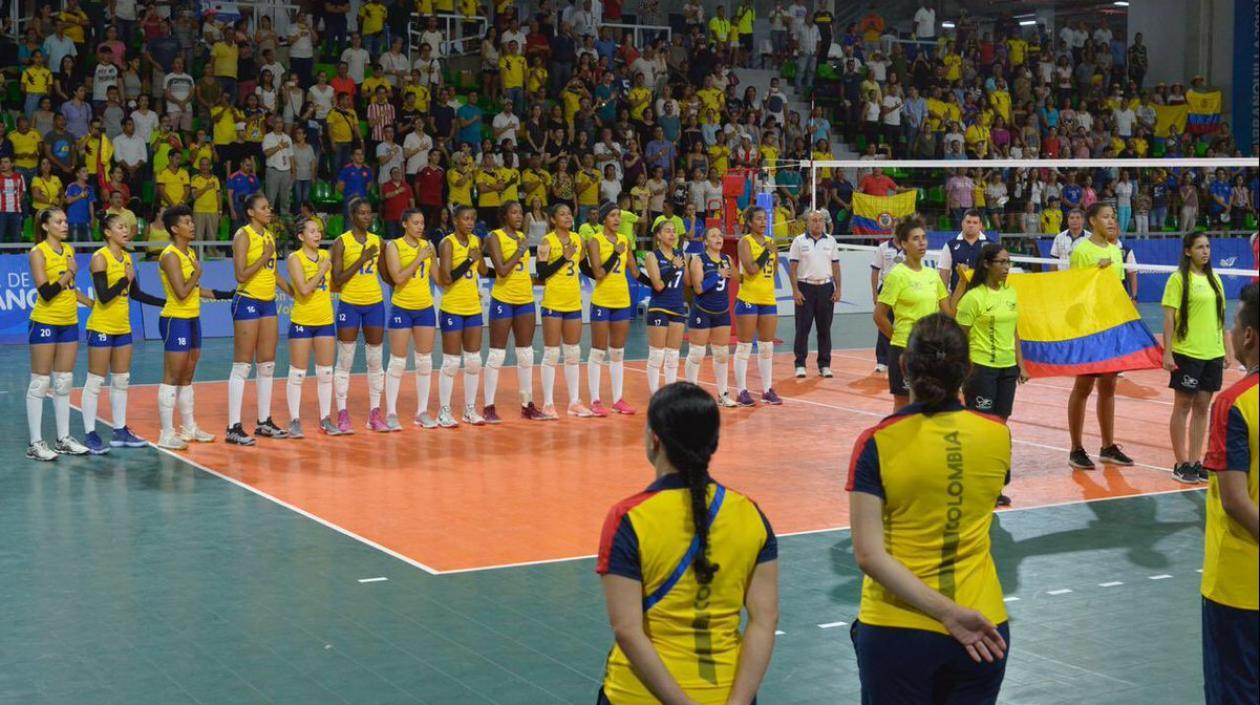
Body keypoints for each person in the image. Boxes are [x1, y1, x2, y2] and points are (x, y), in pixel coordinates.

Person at [848, 314, 1011, 705]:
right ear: (968, 370)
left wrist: (945, 613)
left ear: (903, 364)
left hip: (898, 628)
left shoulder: (877, 442)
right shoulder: (998, 435)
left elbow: (869, 556)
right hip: (985, 627)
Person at [597, 382, 778, 705]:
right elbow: (765, 620)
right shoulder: (749, 514)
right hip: (725, 692)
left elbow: (626, 628)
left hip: (638, 696)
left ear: (654, 438)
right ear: (714, 442)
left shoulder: (629, 518)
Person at [1199, 283, 1258, 705]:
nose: (1231, 333)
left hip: (1239, 587)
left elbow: (1236, 500)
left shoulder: (1234, 403)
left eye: (1234, 325)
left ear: (1249, 335)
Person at [80, 213, 165, 454]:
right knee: (96, 381)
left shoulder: (127, 257)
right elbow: (104, 297)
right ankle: (90, 434)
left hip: (122, 327)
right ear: (107, 232)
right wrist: (123, 280)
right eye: (120, 227)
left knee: (121, 380)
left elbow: (135, 294)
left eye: (127, 227)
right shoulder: (100, 258)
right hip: (101, 326)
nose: (126, 231)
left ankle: (120, 431)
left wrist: (165, 303)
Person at [951, 243, 1027, 506]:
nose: (1007, 267)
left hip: (1007, 369)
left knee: (1000, 426)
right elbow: (959, 336)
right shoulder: (973, 299)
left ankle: (993, 485)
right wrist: (964, 370)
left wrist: (1021, 363)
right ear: (986, 264)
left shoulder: (1011, 293)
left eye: (1009, 262)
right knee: (981, 427)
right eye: (1002, 262)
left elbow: (1015, 330)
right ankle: (973, 484)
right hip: (980, 369)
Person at [156, 205, 233, 450]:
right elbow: (181, 292)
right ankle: (166, 434)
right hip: (175, 319)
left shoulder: (188, 253)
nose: (192, 225)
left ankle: (189, 428)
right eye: (187, 222)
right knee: (172, 376)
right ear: (175, 228)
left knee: (188, 375)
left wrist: (223, 294)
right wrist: (197, 272)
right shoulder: (170, 256)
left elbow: (195, 290)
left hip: (192, 318)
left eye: (192, 221)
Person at [1066, 203, 1135, 470]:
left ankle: (1107, 446)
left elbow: (1116, 290)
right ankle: (1076, 448)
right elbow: (1073, 289)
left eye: (1113, 217)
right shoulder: (1082, 250)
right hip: (1089, 329)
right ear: (1092, 221)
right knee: (1083, 387)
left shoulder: (1116, 251)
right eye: (1105, 217)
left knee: (1109, 387)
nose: (1110, 221)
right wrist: (1096, 272)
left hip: (1112, 328)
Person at [1162, 232, 1229, 484]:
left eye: (1208, 247)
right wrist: (1167, 351)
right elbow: (1169, 318)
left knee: (1203, 406)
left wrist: (1225, 349)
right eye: (1200, 247)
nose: (1205, 251)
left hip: (1212, 353)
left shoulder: (1215, 280)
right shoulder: (1178, 279)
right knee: (1183, 406)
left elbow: (1221, 317)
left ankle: (1195, 460)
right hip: (1187, 353)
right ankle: (1181, 463)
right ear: (1188, 251)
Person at [25, 209, 91, 461]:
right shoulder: (38, 252)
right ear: (45, 226)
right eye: (59, 222)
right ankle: (35, 443)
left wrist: (90, 302)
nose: (65, 225)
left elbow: (70, 291)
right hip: (45, 321)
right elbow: (47, 292)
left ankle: (63, 439)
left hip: (69, 321)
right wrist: (69, 272)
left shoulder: (69, 250)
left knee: (63, 381)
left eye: (65, 221)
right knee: (40, 382)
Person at [227, 193, 292, 445]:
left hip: (268, 303)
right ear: (251, 212)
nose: (269, 210)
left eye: (269, 207)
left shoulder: (268, 236)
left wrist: (294, 292)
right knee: (242, 365)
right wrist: (264, 257)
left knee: (267, 364)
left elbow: (273, 273)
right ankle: (233, 426)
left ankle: (264, 421)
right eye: (264, 208)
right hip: (247, 300)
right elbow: (240, 275)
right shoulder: (243, 236)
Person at [873, 216, 951, 410]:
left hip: (931, 351)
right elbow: (879, 315)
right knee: (903, 404)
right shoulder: (896, 275)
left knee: (930, 402)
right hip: (905, 350)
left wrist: (963, 286)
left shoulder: (932, 275)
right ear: (904, 244)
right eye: (915, 238)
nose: (922, 242)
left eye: (924, 237)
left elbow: (949, 313)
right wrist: (900, 340)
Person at [329, 197, 388, 434]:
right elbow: (338, 279)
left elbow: (385, 274)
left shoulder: (378, 241)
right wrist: (362, 259)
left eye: (369, 213)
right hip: (350, 304)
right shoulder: (341, 242)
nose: (367, 217)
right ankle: (342, 413)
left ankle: (375, 413)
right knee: (345, 360)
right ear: (353, 216)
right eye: (362, 213)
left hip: (374, 303)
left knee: (375, 360)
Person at [484, 201, 543, 422]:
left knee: (526, 354)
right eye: (514, 212)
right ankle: (488, 406)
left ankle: (527, 405)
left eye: (520, 212)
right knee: (497, 354)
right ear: (504, 215)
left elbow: (522, 270)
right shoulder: (495, 237)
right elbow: (501, 270)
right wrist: (520, 250)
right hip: (503, 298)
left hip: (525, 298)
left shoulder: (522, 238)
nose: (519, 216)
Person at [384, 209, 440, 430]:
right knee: (397, 362)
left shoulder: (429, 246)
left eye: (422, 222)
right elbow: (397, 277)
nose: (420, 226)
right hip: (402, 308)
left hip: (425, 307)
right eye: (415, 222)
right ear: (405, 224)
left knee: (425, 361)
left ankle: (422, 411)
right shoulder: (394, 246)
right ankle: (390, 413)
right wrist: (419, 258)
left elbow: (437, 277)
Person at [284, 217, 340, 437]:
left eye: (319, 231)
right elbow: (304, 290)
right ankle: (294, 421)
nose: (318, 235)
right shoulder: (294, 259)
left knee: (326, 372)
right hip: (302, 321)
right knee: (297, 374)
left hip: (325, 320)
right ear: (301, 236)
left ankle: (325, 419)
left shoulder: (325, 255)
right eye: (312, 231)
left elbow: (332, 284)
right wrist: (322, 269)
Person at [586, 202, 641, 416]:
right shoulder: (595, 241)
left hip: (622, 300)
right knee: (598, 352)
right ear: (603, 219)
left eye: (619, 215)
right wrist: (615, 254)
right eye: (612, 215)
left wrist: (660, 281)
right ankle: (595, 400)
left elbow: (635, 271)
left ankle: (618, 399)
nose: (617, 219)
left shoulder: (625, 240)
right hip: (602, 300)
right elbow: (599, 273)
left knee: (618, 352)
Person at [536, 204, 591, 418]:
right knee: (551, 353)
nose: (568, 217)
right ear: (552, 219)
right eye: (562, 214)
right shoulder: (547, 241)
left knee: (573, 352)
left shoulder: (578, 239)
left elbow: (584, 266)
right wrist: (564, 257)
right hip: (553, 301)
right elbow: (541, 272)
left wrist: (602, 271)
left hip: (573, 302)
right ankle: (548, 404)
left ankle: (574, 402)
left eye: (569, 213)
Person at [437, 205, 489, 427]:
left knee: (474, 361)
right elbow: (446, 278)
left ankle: (469, 409)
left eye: (472, 219)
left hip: (472, 307)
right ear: (455, 221)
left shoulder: (476, 241)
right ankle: (444, 411)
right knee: (450, 362)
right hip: (452, 307)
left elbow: (484, 271)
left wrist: (479, 257)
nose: (469, 223)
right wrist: (468, 260)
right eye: (465, 219)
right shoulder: (447, 243)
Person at [732, 207, 782, 406]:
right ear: (750, 222)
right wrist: (765, 253)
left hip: (768, 298)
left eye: (765, 218)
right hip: (748, 298)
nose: (763, 222)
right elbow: (751, 269)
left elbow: (775, 268)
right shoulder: (745, 242)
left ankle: (767, 389)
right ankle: (741, 391)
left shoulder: (771, 243)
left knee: (766, 347)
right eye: (759, 219)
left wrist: (769, 252)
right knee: (744, 346)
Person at [686, 227, 737, 407]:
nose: (718, 238)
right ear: (706, 242)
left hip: (721, 312)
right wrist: (717, 275)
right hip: (702, 311)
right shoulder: (699, 260)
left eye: (720, 235)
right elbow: (698, 288)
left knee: (722, 353)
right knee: (697, 353)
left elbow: (738, 278)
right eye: (713, 236)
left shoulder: (727, 259)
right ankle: (690, 394)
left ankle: (723, 394)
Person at [788, 210, 841, 379]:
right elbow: (793, 268)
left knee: (824, 329)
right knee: (802, 328)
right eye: (813, 220)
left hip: (826, 288)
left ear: (824, 222)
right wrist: (795, 290)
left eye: (819, 220)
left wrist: (838, 288)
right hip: (805, 288)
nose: (817, 223)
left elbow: (836, 266)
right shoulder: (798, 241)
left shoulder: (831, 241)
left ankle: (824, 365)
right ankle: (800, 364)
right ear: (807, 223)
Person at [642, 220, 689, 394]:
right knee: (656, 355)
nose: (672, 234)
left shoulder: (680, 254)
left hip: (677, 307)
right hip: (659, 308)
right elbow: (658, 285)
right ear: (659, 235)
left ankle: (671, 393)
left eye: (674, 231)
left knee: (672, 356)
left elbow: (688, 282)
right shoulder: (652, 256)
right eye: (668, 231)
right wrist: (674, 266)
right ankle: (655, 394)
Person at [938, 209, 994, 292]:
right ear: (962, 223)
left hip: (984, 297)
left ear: (980, 225)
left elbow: (996, 271)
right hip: (958, 298)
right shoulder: (950, 245)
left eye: (975, 223)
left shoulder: (991, 245)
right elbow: (944, 273)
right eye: (968, 222)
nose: (971, 225)